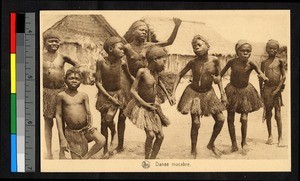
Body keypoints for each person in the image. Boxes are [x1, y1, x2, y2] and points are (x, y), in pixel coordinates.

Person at [172, 35, 227, 158]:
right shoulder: (193, 62)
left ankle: (211, 144)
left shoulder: (215, 61)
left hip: (209, 94)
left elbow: (219, 78)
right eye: (194, 46)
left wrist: (222, 94)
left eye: (199, 45)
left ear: (208, 46)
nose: (196, 48)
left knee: (221, 119)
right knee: (196, 123)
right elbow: (179, 75)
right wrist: (173, 93)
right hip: (194, 94)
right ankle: (193, 150)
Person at [124, 46, 175, 159]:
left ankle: (152, 159)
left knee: (160, 136)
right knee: (151, 135)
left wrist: (168, 95)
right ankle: (147, 159)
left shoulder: (156, 72)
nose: (164, 64)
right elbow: (133, 90)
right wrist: (144, 104)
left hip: (153, 106)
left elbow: (159, 82)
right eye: (163, 61)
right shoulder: (142, 72)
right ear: (155, 59)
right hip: (142, 107)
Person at [220, 40, 269, 153]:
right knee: (230, 118)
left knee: (244, 118)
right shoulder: (231, 62)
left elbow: (260, 72)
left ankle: (244, 142)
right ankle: (234, 144)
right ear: (237, 52)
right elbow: (221, 74)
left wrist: (263, 77)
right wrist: (216, 78)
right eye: (243, 51)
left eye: (248, 51)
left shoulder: (251, 63)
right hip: (232, 91)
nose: (246, 53)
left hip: (246, 92)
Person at [95, 37, 134, 158]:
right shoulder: (101, 62)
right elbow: (98, 82)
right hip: (105, 94)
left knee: (121, 118)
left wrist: (140, 87)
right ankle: (105, 148)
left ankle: (118, 145)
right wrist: (109, 97)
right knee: (105, 121)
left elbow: (130, 77)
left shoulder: (122, 63)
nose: (123, 51)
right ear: (111, 49)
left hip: (120, 94)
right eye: (120, 49)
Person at [43, 31, 79, 159]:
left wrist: (71, 76)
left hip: (61, 92)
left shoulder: (63, 57)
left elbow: (76, 65)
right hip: (46, 93)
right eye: (51, 41)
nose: (54, 43)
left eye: (56, 41)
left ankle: (62, 152)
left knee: (62, 122)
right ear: (45, 42)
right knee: (48, 123)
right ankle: (49, 152)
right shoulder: (40, 57)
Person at [55, 67, 106, 159]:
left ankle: (86, 157)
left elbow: (89, 112)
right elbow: (58, 116)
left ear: (81, 81)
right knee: (77, 160)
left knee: (101, 140)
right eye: (71, 78)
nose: (74, 81)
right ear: (65, 79)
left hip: (85, 130)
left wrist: (90, 125)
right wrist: (62, 138)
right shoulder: (61, 96)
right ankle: (82, 159)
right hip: (72, 133)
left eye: (77, 79)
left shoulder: (83, 95)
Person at [259, 39, 286, 147]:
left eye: (274, 48)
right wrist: (261, 93)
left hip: (277, 90)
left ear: (277, 49)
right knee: (268, 114)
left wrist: (278, 89)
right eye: (270, 48)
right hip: (267, 90)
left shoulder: (280, 61)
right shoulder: (263, 63)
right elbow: (261, 79)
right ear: (267, 49)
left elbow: (283, 76)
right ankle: (270, 135)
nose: (272, 50)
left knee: (278, 114)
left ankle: (280, 138)